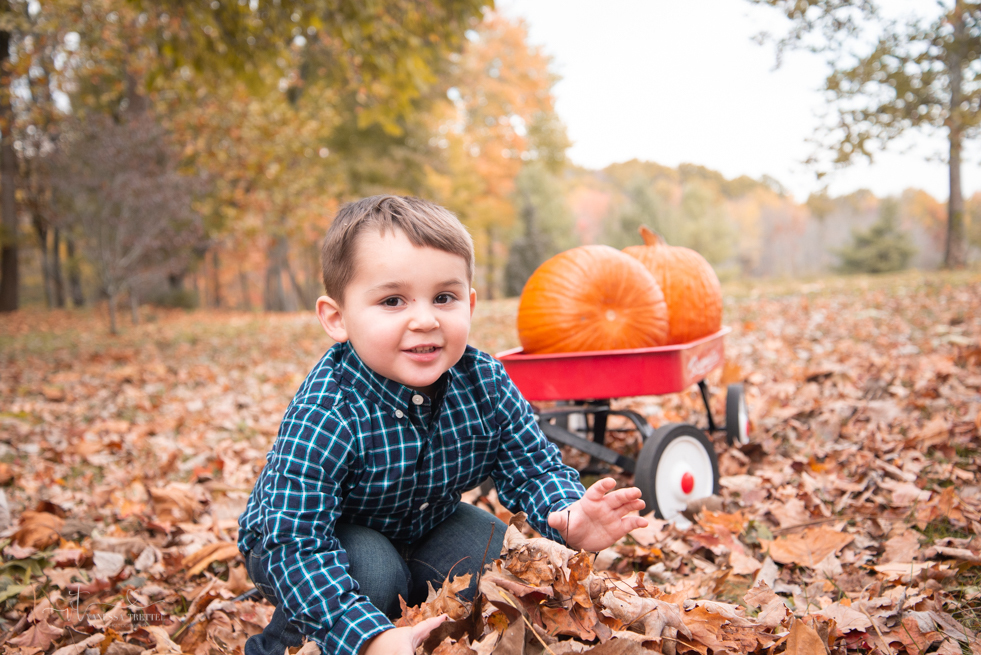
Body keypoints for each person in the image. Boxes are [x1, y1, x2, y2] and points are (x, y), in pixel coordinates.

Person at [238, 195, 649, 655]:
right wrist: (368, 639)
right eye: (393, 300)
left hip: (423, 522)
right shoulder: (328, 410)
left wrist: (565, 513)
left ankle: (406, 618)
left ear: (469, 305)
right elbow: (294, 541)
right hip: (306, 539)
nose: (426, 319)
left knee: (493, 558)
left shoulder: (484, 381)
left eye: (444, 297)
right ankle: (291, 644)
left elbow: (533, 467)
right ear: (338, 319)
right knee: (374, 572)